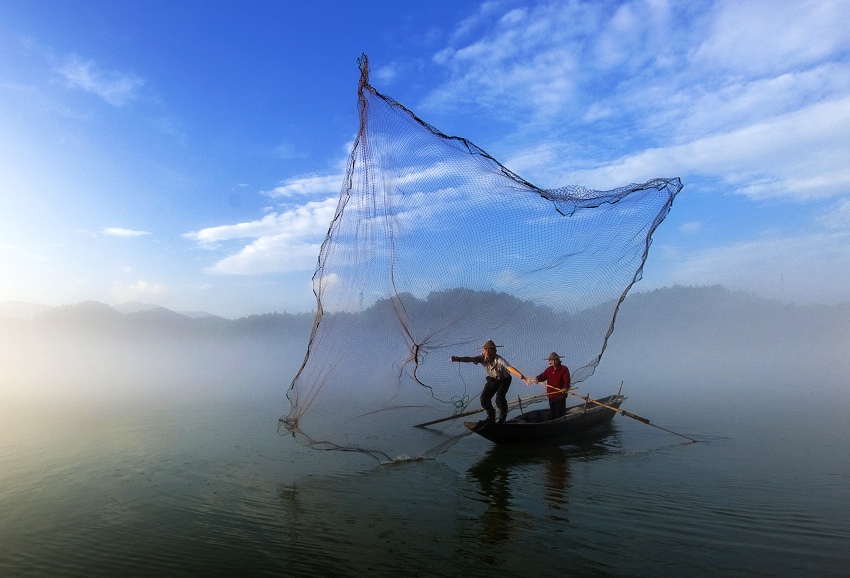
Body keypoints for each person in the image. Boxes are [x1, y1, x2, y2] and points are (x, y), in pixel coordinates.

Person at [451, 339, 527, 424]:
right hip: (492, 380)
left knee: (499, 399)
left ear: (494, 351)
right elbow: (470, 359)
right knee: (484, 399)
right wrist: (458, 359)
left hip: (504, 380)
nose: (486, 351)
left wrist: (522, 377)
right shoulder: (482, 357)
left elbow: (510, 368)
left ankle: (503, 417)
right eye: (485, 349)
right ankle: (491, 417)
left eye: (489, 349)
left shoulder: (499, 360)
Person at [524, 352, 571, 420]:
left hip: (560, 395)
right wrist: (537, 378)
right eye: (551, 360)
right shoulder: (549, 370)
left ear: (558, 360)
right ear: (549, 361)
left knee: (560, 415)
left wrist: (565, 388)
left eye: (555, 360)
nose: (553, 362)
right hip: (551, 395)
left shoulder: (564, 369)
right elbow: (543, 376)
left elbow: (567, 381)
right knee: (553, 415)